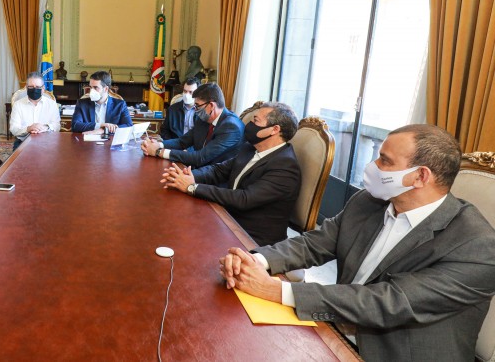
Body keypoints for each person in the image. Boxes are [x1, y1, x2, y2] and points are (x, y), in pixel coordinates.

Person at [219, 124, 495, 361]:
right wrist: (255, 261)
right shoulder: (368, 201)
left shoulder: (477, 246)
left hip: (393, 352)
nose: (373, 167)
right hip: (334, 325)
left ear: (420, 176)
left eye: (385, 161)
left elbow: (389, 302)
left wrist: (277, 290)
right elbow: (315, 243)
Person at [161, 102, 301, 246]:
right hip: (228, 218)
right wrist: (188, 176)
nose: (250, 125)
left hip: (252, 237)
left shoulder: (285, 166)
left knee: (181, 235)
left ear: (275, 129)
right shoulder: (250, 148)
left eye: (255, 121)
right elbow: (219, 170)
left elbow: (244, 198)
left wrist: (192, 187)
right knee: (172, 219)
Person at [141, 83, 244, 168]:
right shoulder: (204, 120)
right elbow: (182, 142)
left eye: (197, 106)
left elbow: (200, 157)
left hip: (216, 179)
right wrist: (158, 144)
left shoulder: (231, 127)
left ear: (211, 106)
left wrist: (159, 152)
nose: (195, 110)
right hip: (197, 169)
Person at [9, 71, 61, 150]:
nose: (34, 89)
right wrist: (29, 128)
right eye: (31, 87)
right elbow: (13, 129)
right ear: (26, 88)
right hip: (23, 142)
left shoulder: (52, 104)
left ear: (43, 88)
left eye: (37, 87)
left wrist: (45, 127)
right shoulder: (18, 105)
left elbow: (57, 126)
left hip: (46, 142)